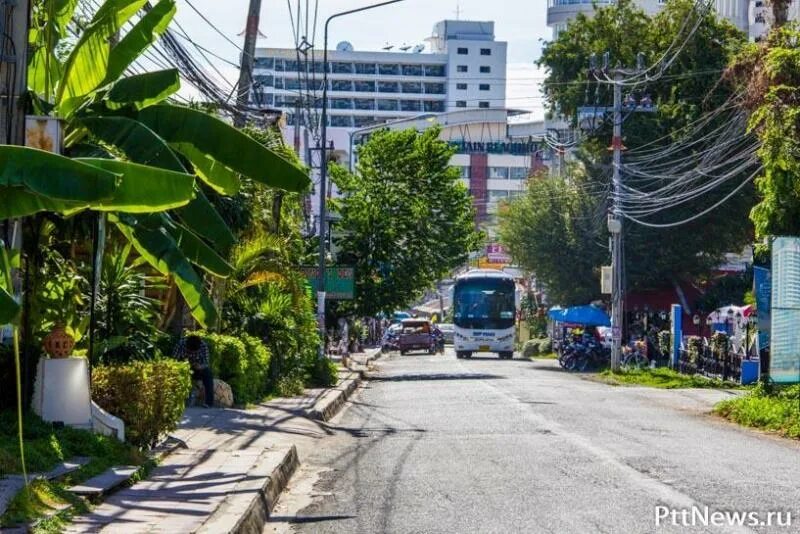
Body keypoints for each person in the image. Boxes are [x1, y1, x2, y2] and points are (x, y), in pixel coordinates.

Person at [174, 335, 214, 408]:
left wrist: (200, 366)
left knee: (208, 373)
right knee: (175, 373)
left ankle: (209, 402)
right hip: (184, 368)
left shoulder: (203, 346)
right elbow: (174, 360)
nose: (192, 353)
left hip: (198, 369)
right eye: (190, 351)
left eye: (194, 352)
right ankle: (177, 400)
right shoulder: (181, 344)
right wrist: (183, 365)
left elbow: (206, 363)